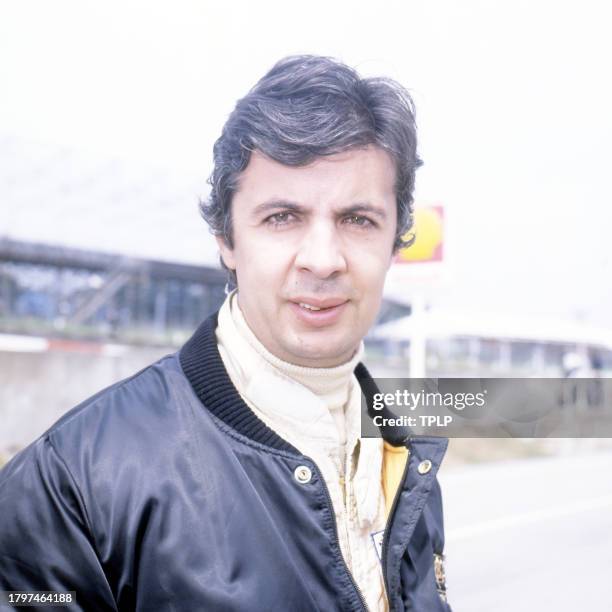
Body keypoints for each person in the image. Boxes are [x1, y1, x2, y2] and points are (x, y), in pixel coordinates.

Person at [0, 55, 450, 611]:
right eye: (283, 217)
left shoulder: (406, 461)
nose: (323, 259)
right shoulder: (75, 483)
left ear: (393, 241)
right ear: (226, 239)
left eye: (358, 220)